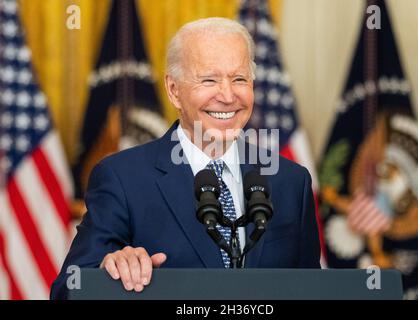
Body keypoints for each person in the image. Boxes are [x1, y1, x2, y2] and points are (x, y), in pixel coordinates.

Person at [50, 17, 320, 300]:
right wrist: (107, 271)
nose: (228, 96)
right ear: (174, 90)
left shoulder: (290, 181)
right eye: (209, 80)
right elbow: (68, 289)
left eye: (239, 79)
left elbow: (313, 292)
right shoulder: (122, 178)